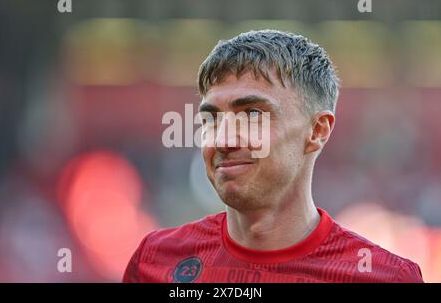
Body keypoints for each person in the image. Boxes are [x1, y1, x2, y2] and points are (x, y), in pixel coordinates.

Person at [123, 30, 423, 283]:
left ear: (317, 130)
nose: (224, 140)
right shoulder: (154, 261)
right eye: (212, 119)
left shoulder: (386, 276)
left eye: (252, 115)